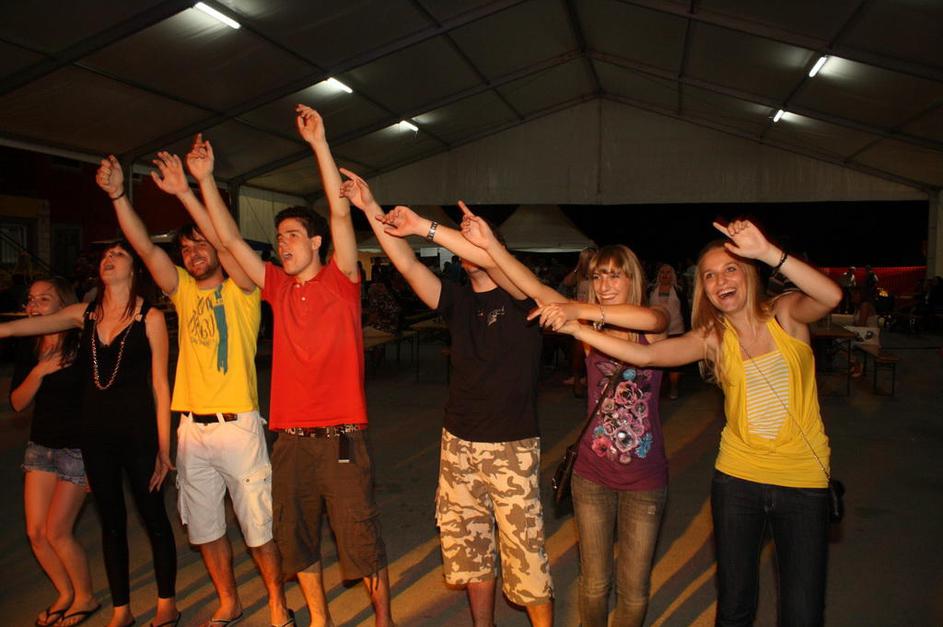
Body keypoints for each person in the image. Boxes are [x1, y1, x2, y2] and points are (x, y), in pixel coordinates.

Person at [534, 219, 842, 626]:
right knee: (734, 607)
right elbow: (646, 356)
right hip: (738, 478)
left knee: (802, 611)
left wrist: (768, 252)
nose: (720, 281)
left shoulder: (785, 314)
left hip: (802, 480)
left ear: (749, 273)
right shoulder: (712, 337)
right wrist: (577, 328)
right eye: (709, 275)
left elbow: (830, 295)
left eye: (730, 269)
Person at [198, 106, 393, 627]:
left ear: (315, 243)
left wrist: (319, 144)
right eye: (279, 236)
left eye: (291, 235)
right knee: (295, 536)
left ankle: (383, 620)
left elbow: (339, 214)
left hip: (342, 437)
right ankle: (319, 619)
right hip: (289, 440)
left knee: (359, 535)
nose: (282, 243)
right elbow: (228, 241)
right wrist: (206, 180)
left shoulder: (341, 280)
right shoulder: (277, 288)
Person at [339, 171, 553, 626]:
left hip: (511, 446)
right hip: (458, 444)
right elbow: (406, 263)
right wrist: (369, 206)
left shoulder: (525, 300)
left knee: (526, 558)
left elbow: (498, 263)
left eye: (479, 242)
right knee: (470, 552)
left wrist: (429, 228)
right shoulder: (457, 301)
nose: (469, 249)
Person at [95, 147, 292, 627]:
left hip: (237, 426)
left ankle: (276, 602)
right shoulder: (182, 290)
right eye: (186, 249)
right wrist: (119, 196)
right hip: (191, 431)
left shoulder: (243, 289)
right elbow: (145, 249)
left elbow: (227, 242)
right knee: (205, 529)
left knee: (258, 528)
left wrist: (189, 190)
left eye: (200, 245)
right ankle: (229, 601)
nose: (193, 253)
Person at [461, 213, 669, 627]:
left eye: (615, 275)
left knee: (634, 589)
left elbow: (653, 320)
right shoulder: (585, 323)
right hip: (591, 475)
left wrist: (575, 309)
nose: (605, 284)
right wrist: (490, 247)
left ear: (633, 279)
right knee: (594, 583)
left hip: (645, 480)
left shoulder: (653, 323)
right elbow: (529, 286)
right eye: (598, 276)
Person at [0, 241, 180, 627]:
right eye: (105, 256)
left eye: (119, 255)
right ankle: (121, 610)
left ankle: (167, 604)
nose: (109, 259)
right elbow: (21, 326)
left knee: (154, 519)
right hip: (95, 439)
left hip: (139, 436)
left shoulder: (148, 317)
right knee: (111, 525)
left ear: (134, 269)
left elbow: (160, 385)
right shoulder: (83, 315)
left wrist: (165, 447)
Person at [10, 278, 98, 627]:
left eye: (44, 299)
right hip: (40, 449)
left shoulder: (82, 341)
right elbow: (18, 403)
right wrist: (40, 370)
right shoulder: (30, 346)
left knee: (57, 531)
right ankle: (65, 593)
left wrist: (96, 460)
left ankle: (86, 597)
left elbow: (98, 404)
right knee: (36, 533)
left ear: (63, 304)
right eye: (31, 300)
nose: (34, 306)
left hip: (77, 451)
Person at [649, 263, 686, 400]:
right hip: (656, 331)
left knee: (675, 361)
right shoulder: (651, 290)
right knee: (658, 361)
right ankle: (657, 389)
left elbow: (685, 310)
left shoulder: (678, 290)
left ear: (673, 275)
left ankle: (674, 387)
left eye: (668, 272)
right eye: (662, 272)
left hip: (676, 329)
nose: (665, 275)